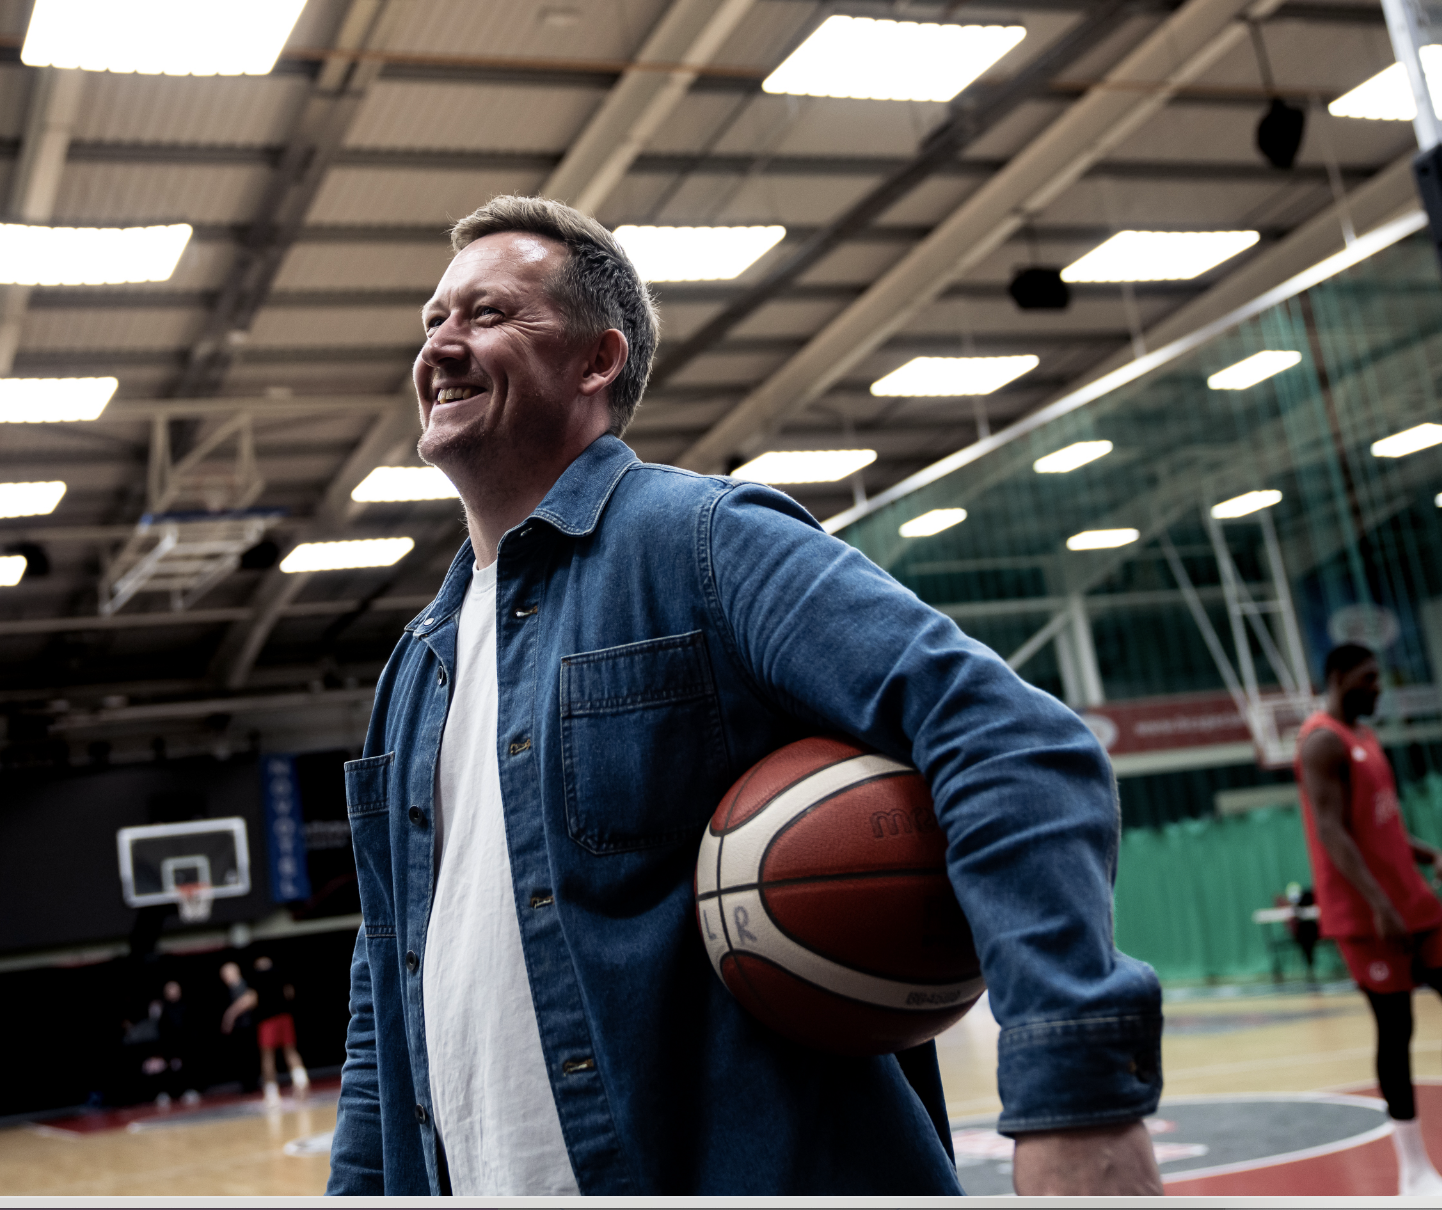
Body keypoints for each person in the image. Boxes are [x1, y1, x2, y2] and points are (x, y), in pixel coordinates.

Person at [326, 195, 1164, 1197]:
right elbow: (385, 982)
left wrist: (1076, 1105)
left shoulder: (703, 542)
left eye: (488, 314)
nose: (443, 346)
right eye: (434, 320)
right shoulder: (416, 666)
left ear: (597, 360)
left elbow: (1016, 745)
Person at [1297, 642, 1442, 1195]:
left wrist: (1426, 855)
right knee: (1396, 1028)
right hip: (1367, 915)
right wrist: (1380, 904)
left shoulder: (1364, 737)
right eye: (1370, 677)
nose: (1380, 687)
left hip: (1413, 900)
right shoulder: (1323, 742)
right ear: (1339, 677)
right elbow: (1333, 832)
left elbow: (1377, 828)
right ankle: (1414, 1171)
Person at [249, 954, 310, 1106]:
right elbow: (289, 993)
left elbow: (253, 999)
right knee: (290, 1051)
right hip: (284, 1017)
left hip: (267, 1020)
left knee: (267, 1055)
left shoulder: (256, 976)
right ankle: (302, 1083)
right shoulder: (280, 972)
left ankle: (271, 1094)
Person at [218, 960, 259, 1095]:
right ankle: (247, 1084)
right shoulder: (229, 989)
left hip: (247, 1026)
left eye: (226, 973)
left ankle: (253, 1083)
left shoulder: (244, 985)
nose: (224, 976)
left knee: (250, 1055)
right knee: (241, 1057)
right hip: (238, 1028)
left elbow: (250, 1000)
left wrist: (230, 1015)